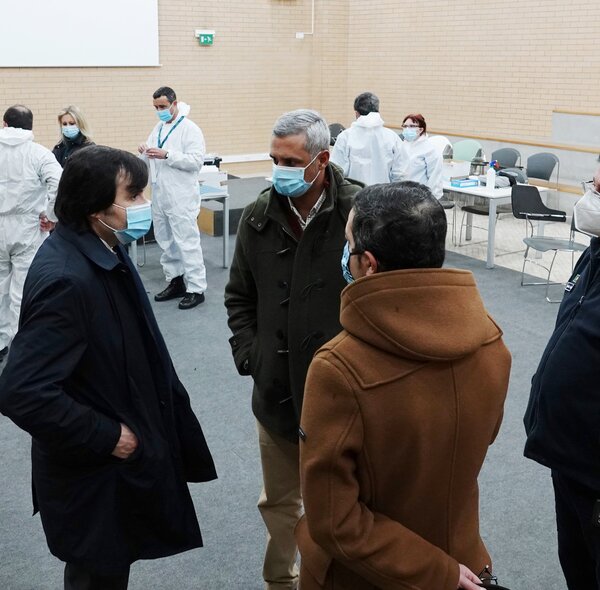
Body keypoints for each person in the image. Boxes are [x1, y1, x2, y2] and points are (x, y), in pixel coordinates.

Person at [0, 145, 217, 590]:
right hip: (92, 473)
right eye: (132, 195)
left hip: (110, 463)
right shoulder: (67, 278)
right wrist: (107, 435)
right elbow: (21, 391)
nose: (142, 204)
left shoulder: (102, 247)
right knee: (96, 574)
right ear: (95, 206)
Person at [296, 182, 511, 590]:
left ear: (368, 264)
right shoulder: (492, 343)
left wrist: (435, 572)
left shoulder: (337, 368)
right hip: (463, 557)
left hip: (368, 575)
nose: (345, 254)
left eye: (348, 245)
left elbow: (334, 521)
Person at [224, 109, 363, 590]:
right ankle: (281, 581)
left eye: (290, 161)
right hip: (276, 391)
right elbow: (239, 296)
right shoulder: (258, 217)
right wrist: (251, 355)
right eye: (274, 159)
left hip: (346, 394)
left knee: (346, 506)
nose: (279, 169)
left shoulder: (360, 213)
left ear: (321, 160)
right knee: (280, 504)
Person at [523, 168, 600, 590]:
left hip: (593, 466)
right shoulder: (595, 252)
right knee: (577, 566)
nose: (590, 198)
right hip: (567, 454)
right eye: (594, 185)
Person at [0, 104, 62, 363]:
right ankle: (20, 347)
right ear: (31, 126)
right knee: (23, 289)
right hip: (28, 227)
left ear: (4, 124)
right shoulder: (39, 153)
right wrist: (51, 216)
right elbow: (59, 183)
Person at [138, 86, 207, 309]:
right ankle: (175, 280)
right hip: (160, 194)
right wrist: (144, 149)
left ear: (174, 103)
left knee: (187, 242)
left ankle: (196, 288)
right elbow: (150, 156)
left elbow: (195, 161)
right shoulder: (158, 128)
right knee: (165, 240)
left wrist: (167, 154)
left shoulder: (190, 129)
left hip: (181, 196)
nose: (159, 111)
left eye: (163, 106)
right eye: (156, 107)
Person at [330, 91, 405, 185]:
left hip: (355, 192)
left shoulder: (345, 137)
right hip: (383, 192)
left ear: (356, 113)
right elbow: (400, 174)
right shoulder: (392, 137)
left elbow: (337, 172)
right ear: (378, 111)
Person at [400, 113, 444, 199]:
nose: (407, 129)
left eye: (411, 126)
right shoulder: (401, 145)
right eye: (405, 126)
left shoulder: (430, 149)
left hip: (419, 197)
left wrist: (432, 200)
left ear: (420, 129)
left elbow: (435, 177)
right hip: (400, 194)